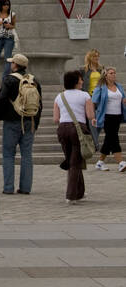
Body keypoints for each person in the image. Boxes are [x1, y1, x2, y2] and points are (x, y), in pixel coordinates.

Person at [0, 52, 42, 195]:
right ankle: (25, 188)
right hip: (30, 121)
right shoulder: (34, 80)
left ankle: (8, 187)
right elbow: (39, 104)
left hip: (12, 121)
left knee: (8, 154)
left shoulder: (9, 80)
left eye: (12, 63)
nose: (11, 65)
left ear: (15, 65)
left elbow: (2, 100)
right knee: (27, 155)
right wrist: (36, 123)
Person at [54, 69, 96, 203]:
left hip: (62, 129)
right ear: (76, 82)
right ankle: (71, 195)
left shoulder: (59, 96)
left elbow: (56, 118)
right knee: (75, 163)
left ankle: (80, 192)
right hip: (78, 129)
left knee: (73, 161)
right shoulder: (85, 95)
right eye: (80, 79)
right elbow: (90, 116)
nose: (82, 81)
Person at [91, 66, 126, 172]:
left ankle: (100, 162)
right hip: (106, 116)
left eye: (114, 73)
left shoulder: (119, 86)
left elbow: (123, 98)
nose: (114, 74)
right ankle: (121, 162)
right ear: (105, 76)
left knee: (109, 139)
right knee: (114, 137)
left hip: (117, 116)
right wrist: (93, 116)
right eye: (111, 73)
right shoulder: (100, 87)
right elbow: (93, 102)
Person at [0, 0, 17, 86]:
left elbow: (14, 26)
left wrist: (8, 25)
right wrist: (0, 23)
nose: (7, 6)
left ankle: (5, 80)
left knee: (8, 59)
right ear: (1, 5)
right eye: (5, 4)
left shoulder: (12, 14)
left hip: (9, 38)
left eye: (8, 4)